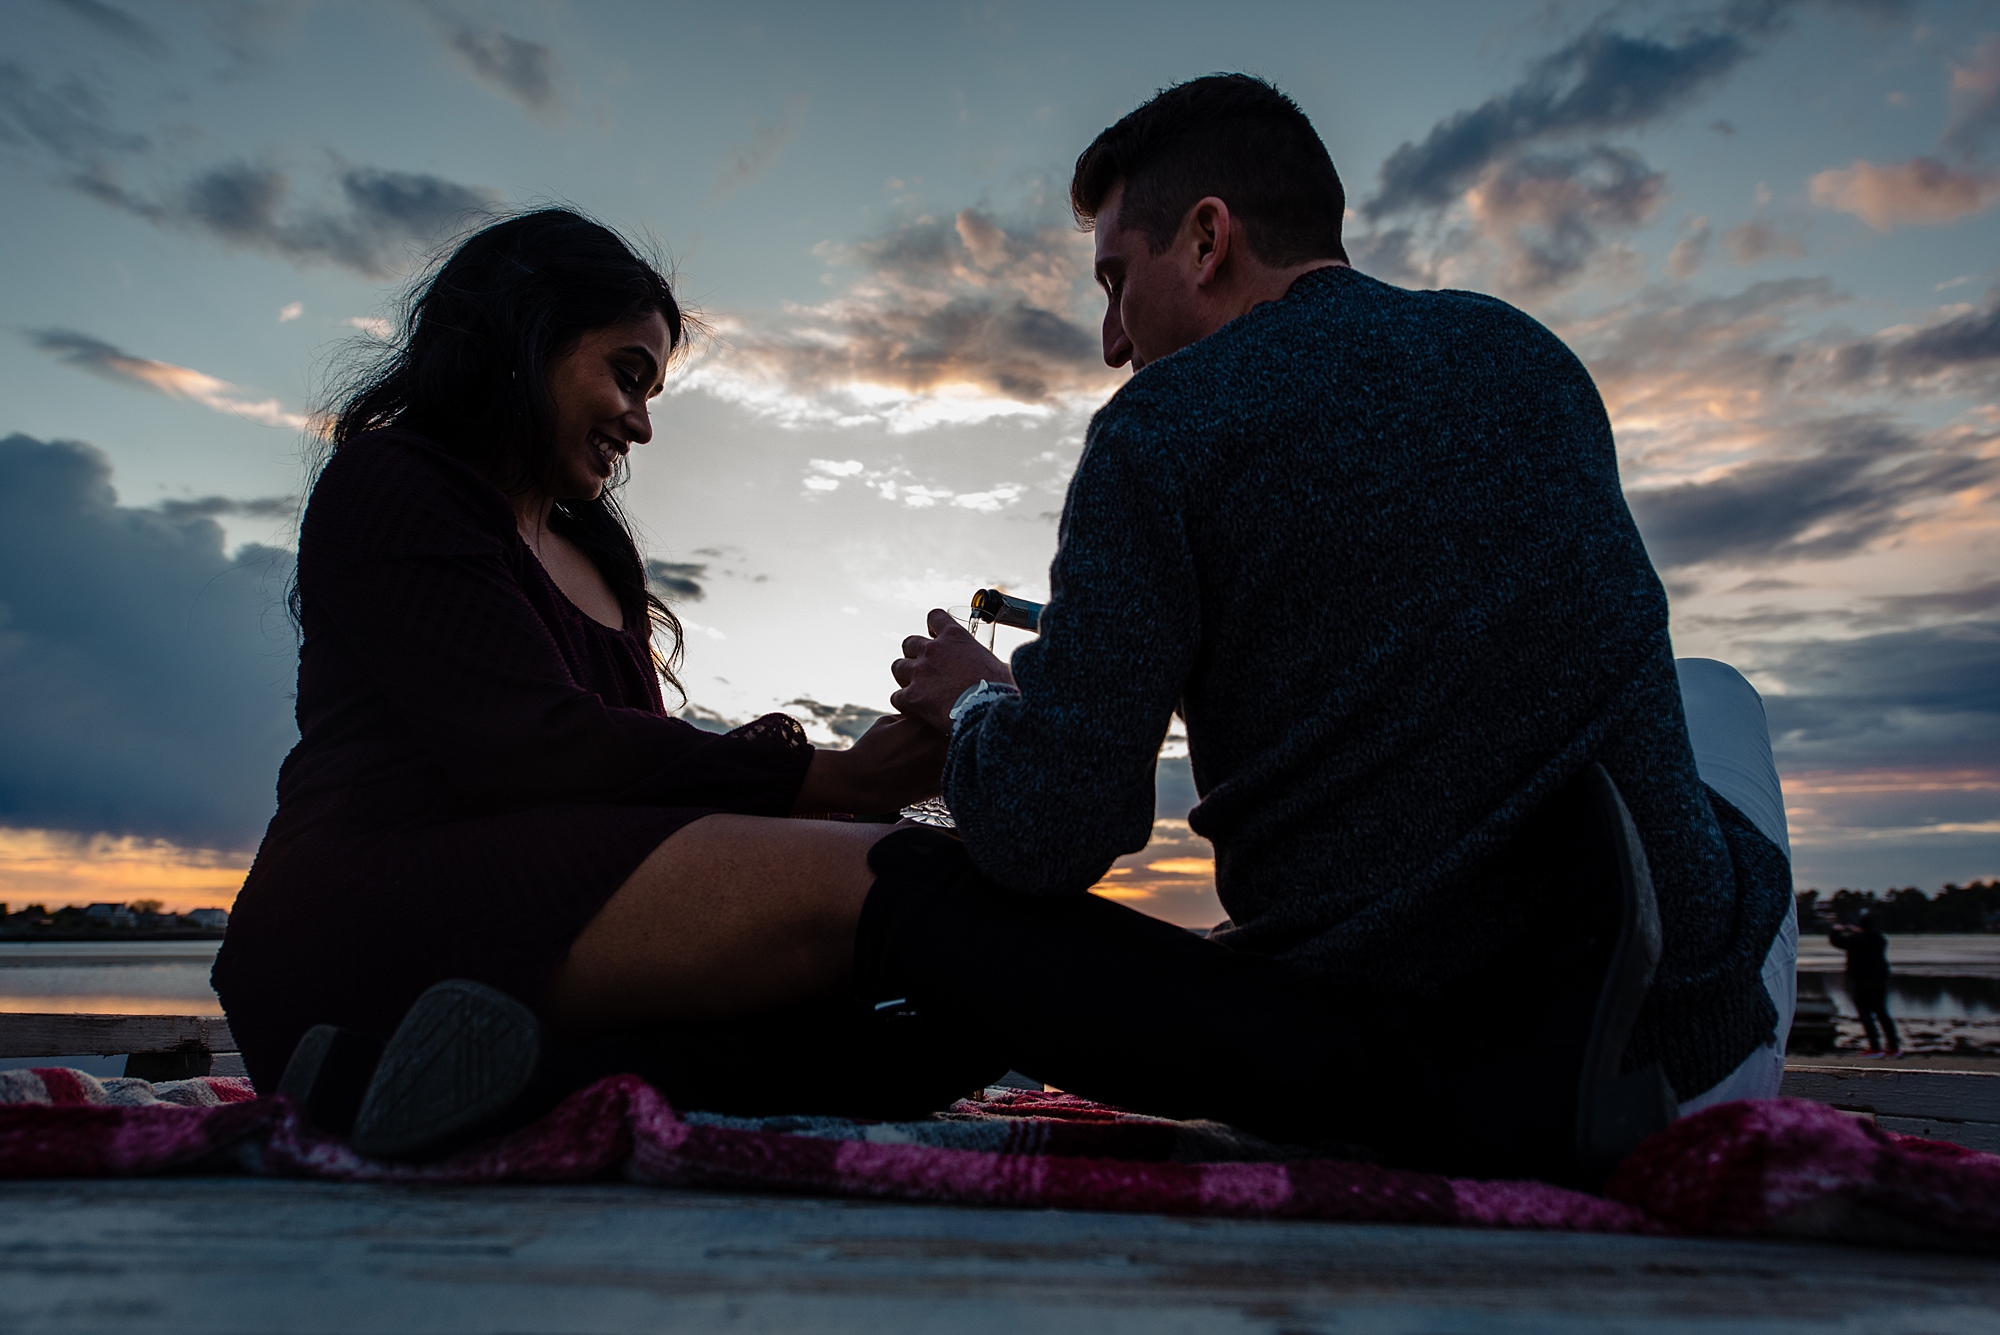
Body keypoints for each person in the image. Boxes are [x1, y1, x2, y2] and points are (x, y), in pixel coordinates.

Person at [877, 75, 1795, 1180]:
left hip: (1401, 1083)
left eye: (1117, 283)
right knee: (1712, 691)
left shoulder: (1156, 434)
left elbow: (1049, 831)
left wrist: (976, 700)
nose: (1112, 340)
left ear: (1208, 237)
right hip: (1683, 1060)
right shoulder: (1527, 356)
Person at [212, 209, 1003, 1151]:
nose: (641, 422)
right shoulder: (396, 481)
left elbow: (646, 788)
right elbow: (534, 747)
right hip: (371, 919)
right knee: (924, 899)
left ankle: (495, 1084)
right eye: (628, 375)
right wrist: (846, 777)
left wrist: (907, 774)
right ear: (527, 333)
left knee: (955, 1018)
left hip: (556, 932)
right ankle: (377, 1068)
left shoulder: (597, 555)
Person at [1830, 912, 1900, 1057]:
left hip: (1862, 983)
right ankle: (1894, 1047)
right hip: (1880, 982)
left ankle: (1875, 1048)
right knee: (1883, 1015)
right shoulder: (1881, 939)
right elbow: (1868, 937)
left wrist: (1835, 930)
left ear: (1860, 926)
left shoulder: (1856, 940)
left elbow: (1838, 942)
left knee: (1866, 1016)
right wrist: (1857, 932)